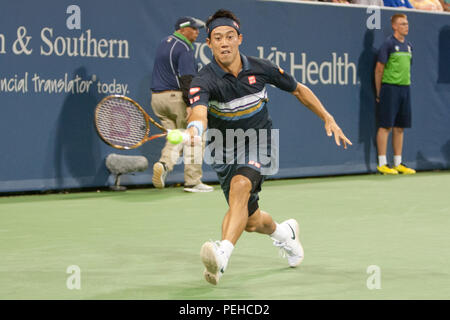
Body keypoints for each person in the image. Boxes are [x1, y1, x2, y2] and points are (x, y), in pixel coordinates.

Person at [184, 9, 352, 285]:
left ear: (240, 39)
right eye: (217, 38)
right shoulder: (203, 80)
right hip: (224, 149)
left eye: (229, 36)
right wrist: (195, 128)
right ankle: (285, 233)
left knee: (240, 188)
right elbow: (199, 112)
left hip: (259, 141)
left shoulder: (261, 68)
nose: (224, 43)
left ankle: (222, 255)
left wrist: (327, 117)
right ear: (209, 44)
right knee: (250, 220)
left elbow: (299, 89)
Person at [150, 16, 213, 193]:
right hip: (176, 98)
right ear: (183, 29)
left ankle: (164, 165)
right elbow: (187, 79)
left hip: (157, 99)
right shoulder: (184, 48)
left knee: (176, 136)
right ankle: (193, 182)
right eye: (194, 28)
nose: (197, 32)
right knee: (194, 135)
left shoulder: (164, 43)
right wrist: (190, 104)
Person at [374, 14, 416, 175]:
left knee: (400, 127)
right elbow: (379, 69)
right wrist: (379, 91)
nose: (406, 26)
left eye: (407, 23)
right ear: (394, 26)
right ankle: (383, 163)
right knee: (386, 126)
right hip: (389, 88)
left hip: (405, 89)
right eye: (402, 24)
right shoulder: (388, 44)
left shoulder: (409, 46)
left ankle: (398, 162)